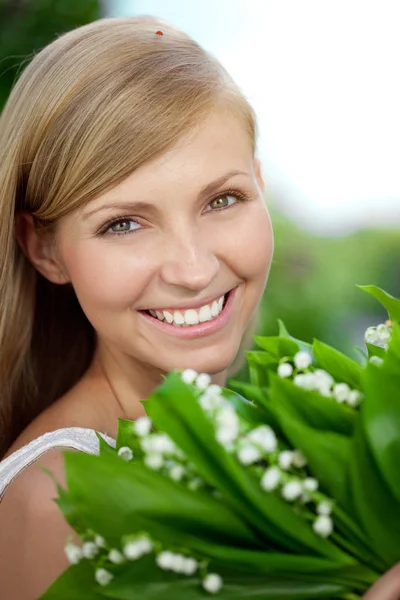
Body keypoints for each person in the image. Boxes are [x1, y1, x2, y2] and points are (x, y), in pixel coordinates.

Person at [0, 14, 396, 600]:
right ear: (43, 248)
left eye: (222, 199)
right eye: (124, 223)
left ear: (260, 185)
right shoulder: (53, 501)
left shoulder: (283, 433)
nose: (193, 270)